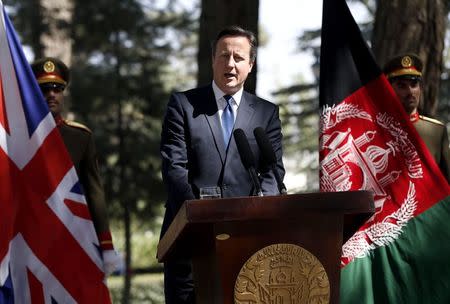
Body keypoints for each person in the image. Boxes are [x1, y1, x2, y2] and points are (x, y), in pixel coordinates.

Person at [159, 25, 285, 303]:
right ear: (212, 60)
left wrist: (259, 211)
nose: (230, 64)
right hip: (191, 242)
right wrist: (201, 219)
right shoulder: (183, 105)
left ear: (250, 65)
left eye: (238, 58)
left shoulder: (266, 113)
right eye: (223, 56)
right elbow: (174, 169)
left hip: (248, 241)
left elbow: (273, 172)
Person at [31, 57, 119, 273]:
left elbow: (94, 193)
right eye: (44, 88)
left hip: (71, 235)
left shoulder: (80, 137)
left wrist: (105, 245)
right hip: (30, 237)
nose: (51, 94)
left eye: (57, 88)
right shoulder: (19, 138)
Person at [383, 53, 450, 182]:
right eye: (402, 86)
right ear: (389, 89)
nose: (410, 92)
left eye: (414, 84)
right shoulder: (377, 128)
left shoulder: (436, 131)